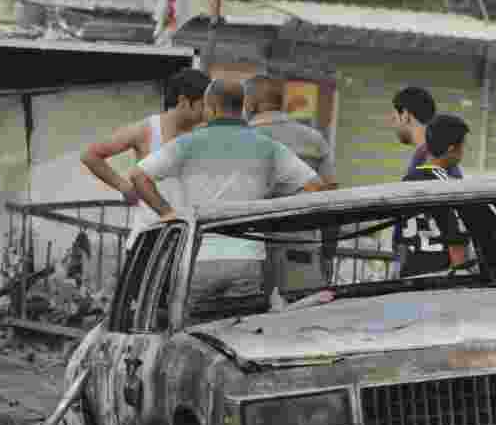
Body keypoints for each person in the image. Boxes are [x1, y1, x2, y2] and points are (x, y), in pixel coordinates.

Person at [128, 79, 325, 302]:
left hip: (196, 259)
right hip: (247, 260)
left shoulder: (187, 144)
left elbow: (138, 176)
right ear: (242, 106)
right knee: (238, 330)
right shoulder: (266, 145)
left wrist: (167, 213)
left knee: (192, 332)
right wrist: (272, 211)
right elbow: (315, 186)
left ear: (209, 107)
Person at [80, 68, 210, 248]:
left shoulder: (204, 135)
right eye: (203, 105)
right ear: (183, 101)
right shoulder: (146, 130)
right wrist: (123, 186)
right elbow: (90, 155)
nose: (208, 112)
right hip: (149, 237)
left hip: (189, 241)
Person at [242, 74, 338, 279]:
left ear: (250, 104)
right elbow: (333, 201)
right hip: (301, 250)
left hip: (250, 253)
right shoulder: (314, 140)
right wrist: (328, 255)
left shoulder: (238, 141)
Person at [399, 114, 471, 277]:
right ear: (452, 149)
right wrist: (461, 276)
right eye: (463, 146)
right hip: (440, 278)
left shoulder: (407, 180)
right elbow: (455, 240)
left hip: (410, 273)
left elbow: (400, 238)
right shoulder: (450, 186)